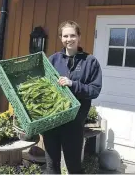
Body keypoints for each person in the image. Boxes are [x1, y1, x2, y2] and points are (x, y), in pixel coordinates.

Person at [43, 20, 102, 174]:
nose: (69, 39)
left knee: (74, 166)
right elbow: (45, 87)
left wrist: (72, 84)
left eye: (72, 35)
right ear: (61, 38)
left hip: (74, 123)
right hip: (52, 121)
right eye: (65, 36)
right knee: (51, 166)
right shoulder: (53, 60)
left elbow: (94, 90)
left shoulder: (90, 62)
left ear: (79, 36)